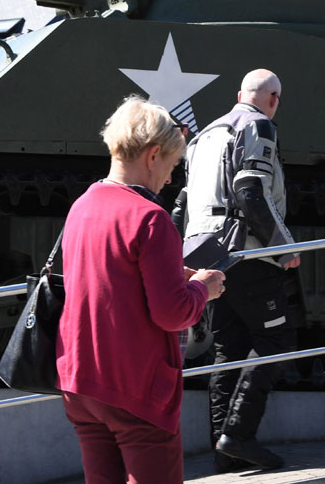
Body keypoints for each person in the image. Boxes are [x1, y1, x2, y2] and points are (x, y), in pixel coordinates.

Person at [56, 97, 225, 484]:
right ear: (153, 155)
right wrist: (201, 288)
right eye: (171, 166)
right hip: (136, 388)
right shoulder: (151, 218)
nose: (170, 179)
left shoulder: (82, 206)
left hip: (81, 383)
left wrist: (170, 274)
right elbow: (171, 313)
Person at [180, 68, 300, 472]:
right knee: (277, 338)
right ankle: (239, 435)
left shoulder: (204, 135)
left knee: (228, 347)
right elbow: (251, 190)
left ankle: (223, 451)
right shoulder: (260, 125)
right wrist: (284, 249)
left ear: (238, 94)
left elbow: (182, 205)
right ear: (273, 100)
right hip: (246, 253)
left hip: (206, 255)